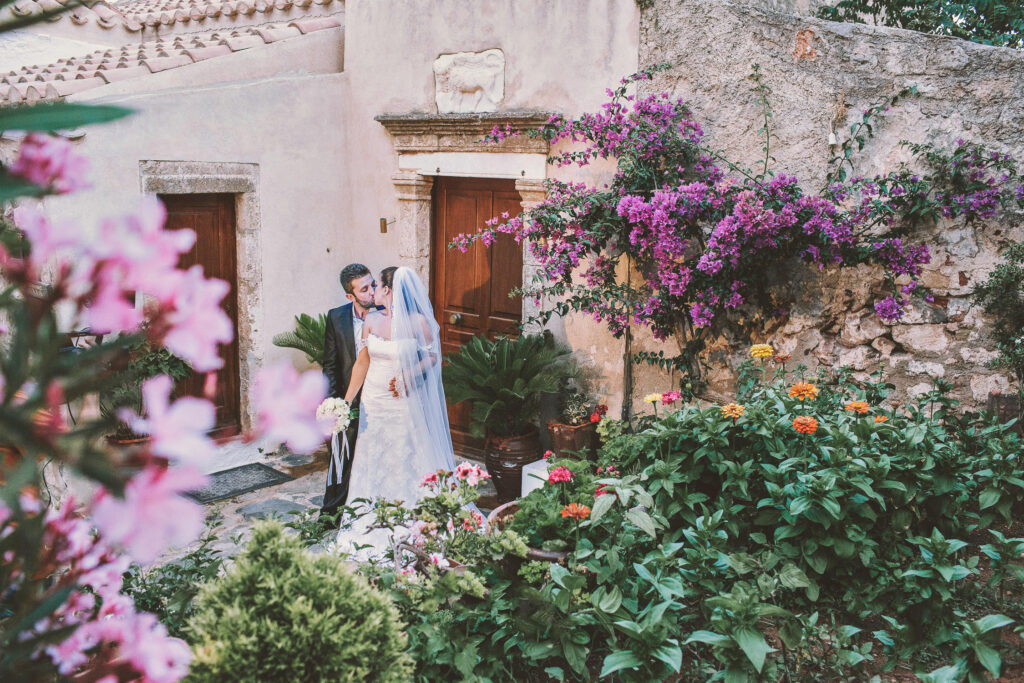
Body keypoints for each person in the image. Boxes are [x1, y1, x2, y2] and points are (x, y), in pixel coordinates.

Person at [337, 266, 456, 556]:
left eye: (376, 285)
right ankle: (371, 512)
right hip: (374, 402)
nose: (373, 290)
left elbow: (432, 357)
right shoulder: (372, 319)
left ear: (388, 290)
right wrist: (346, 401)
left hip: (402, 400)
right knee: (373, 453)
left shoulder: (417, 322)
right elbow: (362, 362)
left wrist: (410, 374)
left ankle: (412, 513)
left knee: (405, 451)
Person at [319, 263, 376, 528]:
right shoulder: (336, 317)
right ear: (350, 296)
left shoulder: (387, 314)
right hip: (347, 400)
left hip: (378, 400)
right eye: (364, 289)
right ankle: (331, 515)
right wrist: (332, 404)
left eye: (372, 284)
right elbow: (329, 365)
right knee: (339, 457)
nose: (372, 292)